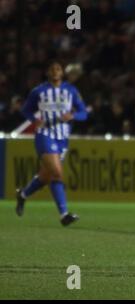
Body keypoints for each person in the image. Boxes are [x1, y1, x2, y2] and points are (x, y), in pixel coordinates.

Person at [15, 61, 87, 226]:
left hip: (63, 138)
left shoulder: (71, 91)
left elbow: (84, 113)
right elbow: (25, 109)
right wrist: (35, 120)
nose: (55, 71)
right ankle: (64, 215)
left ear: (62, 73)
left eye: (58, 69)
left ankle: (23, 194)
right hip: (44, 135)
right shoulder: (39, 91)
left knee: (46, 176)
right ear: (47, 72)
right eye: (52, 69)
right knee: (57, 173)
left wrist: (74, 116)